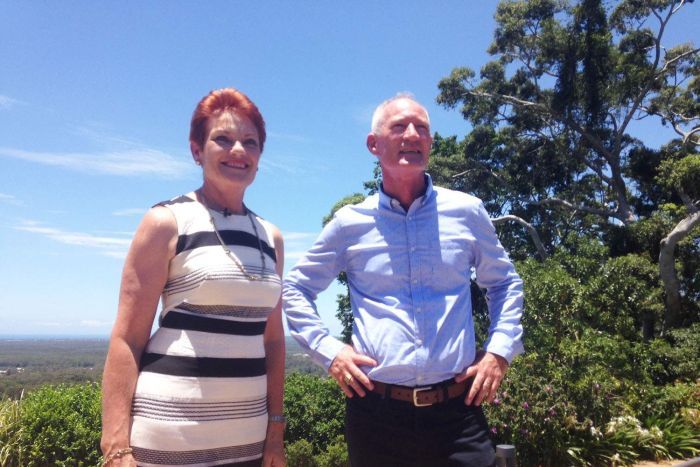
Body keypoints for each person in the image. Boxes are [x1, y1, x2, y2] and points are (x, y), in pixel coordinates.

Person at [283, 94, 524, 466]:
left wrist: (499, 353)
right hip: (377, 416)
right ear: (373, 144)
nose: (412, 134)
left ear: (430, 143)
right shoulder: (350, 223)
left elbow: (505, 283)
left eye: (422, 128)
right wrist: (330, 352)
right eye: (399, 126)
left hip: (457, 413)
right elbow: (295, 288)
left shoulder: (466, 211)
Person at [101, 88, 286, 467]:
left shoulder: (271, 238)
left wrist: (276, 431)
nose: (238, 150)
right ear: (197, 150)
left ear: (259, 157)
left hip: (247, 443)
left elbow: (273, 341)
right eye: (223, 138)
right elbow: (127, 337)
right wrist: (116, 445)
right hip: (168, 440)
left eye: (250, 142)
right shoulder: (166, 222)